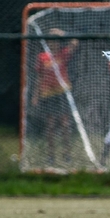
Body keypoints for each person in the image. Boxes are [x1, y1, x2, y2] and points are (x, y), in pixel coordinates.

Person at [31, 28, 78, 165]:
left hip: (61, 93)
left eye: (56, 41)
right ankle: (50, 155)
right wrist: (36, 95)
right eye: (51, 41)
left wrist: (63, 33)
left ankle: (67, 154)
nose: (54, 43)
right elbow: (39, 77)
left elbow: (75, 43)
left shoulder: (63, 54)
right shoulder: (42, 57)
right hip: (47, 94)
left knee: (65, 125)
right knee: (50, 126)